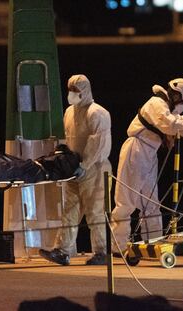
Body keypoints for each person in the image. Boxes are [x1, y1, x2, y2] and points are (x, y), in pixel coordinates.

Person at [111, 78, 183, 254]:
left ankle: (153, 244)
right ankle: (118, 247)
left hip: (149, 154)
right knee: (126, 201)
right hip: (136, 150)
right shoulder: (157, 103)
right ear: (175, 95)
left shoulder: (167, 109)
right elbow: (170, 126)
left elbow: (180, 126)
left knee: (151, 204)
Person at [39, 74, 112, 265]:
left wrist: (84, 165)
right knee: (70, 210)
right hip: (74, 169)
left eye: (76, 91)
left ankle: (102, 251)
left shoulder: (97, 113)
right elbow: (67, 138)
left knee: (95, 210)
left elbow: (98, 143)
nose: (72, 94)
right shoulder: (70, 112)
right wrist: (62, 156)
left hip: (94, 167)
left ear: (85, 91)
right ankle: (63, 251)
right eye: (70, 90)